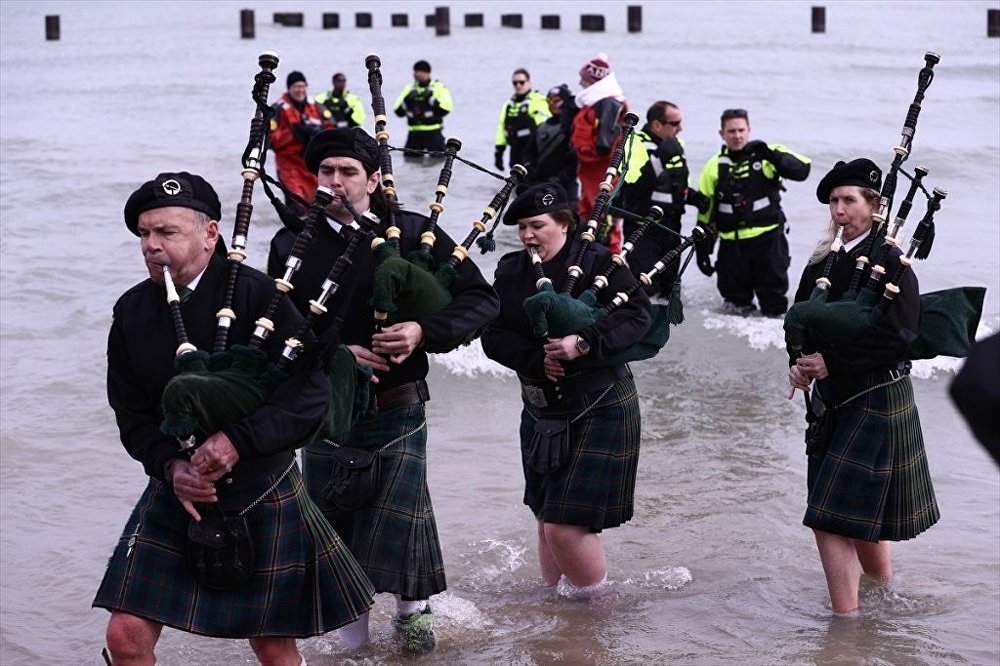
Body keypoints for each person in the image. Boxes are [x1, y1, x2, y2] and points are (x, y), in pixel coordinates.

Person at [94, 171, 374, 665]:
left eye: (167, 232)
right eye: (145, 234)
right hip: (179, 489)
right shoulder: (134, 311)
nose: (152, 246)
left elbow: (311, 392)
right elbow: (132, 414)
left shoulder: (258, 296)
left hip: (260, 482)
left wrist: (238, 440)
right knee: (125, 636)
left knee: (272, 646)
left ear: (211, 234)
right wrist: (171, 468)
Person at [267, 128, 500, 655]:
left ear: (373, 178)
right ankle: (353, 644)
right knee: (335, 530)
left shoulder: (414, 234)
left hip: (398, 404)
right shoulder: (292, 243)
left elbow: (482, 301)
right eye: (326, 172)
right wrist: (337, 354)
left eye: (348, 172)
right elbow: (274, 329)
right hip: (325, 407)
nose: (335, 182)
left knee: (402, 524)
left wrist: (423, 331)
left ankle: (412, 614)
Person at [481, 182, 652, 599]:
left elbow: (638, 316)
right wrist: (536, 360)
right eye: (521, 227)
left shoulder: (600, 263)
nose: (527, 236)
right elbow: (493, 335)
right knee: (545, 519)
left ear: (564, 223)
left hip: (601, 402)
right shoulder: (512, 270)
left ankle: (595, 607)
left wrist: (584, 342)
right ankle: (555, 607)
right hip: (542, 409)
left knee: (563, 525)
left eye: (536, 225)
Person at [787, 158, 939, 614]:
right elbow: (799, 321)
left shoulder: (893, 262)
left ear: (873, 206)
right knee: (849, 518)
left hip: (876, 395)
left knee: (827, 518)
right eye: (834, 200)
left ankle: (846, 619)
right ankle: (881, 593)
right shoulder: (821, 263)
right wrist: (799, 362)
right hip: (834, 402)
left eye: (849, 200)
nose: (839, 209)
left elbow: (900, 336)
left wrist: (833, 363)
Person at [696, 108, 811, 316]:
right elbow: (706, 212)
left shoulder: (768, 154)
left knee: (774, 304)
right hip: (732, 248)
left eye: (741, 130)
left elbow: (803, 170)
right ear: (721, 134)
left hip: (769, 244)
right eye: (731, 131)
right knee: (734, 307)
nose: (737, 136)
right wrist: (702, 249)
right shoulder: (713, 167)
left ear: (749, 130)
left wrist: (771, 154)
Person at [616, 100, 710, 299]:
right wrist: (661, 157)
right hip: (643, 230)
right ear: (657, 125)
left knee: (670, 290)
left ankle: (667, 328)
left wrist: (695, 198)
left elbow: (675, 187)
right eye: (675, 124)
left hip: (671, 230)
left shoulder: (674, 146)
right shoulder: (636, 144)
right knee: (644, 290)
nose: (680, 128)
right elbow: (634, 184)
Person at [571, 53, 628, 248]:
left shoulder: (609, 104)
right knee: (587, 217)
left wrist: (581, 150)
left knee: (603, 220)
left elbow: (605, 144)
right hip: (591, 172)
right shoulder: (597, 103)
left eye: (584, 79)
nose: (580, 83)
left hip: (602, 172)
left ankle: (607, 267)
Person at [270, 71, 333, 212]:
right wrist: (293, 133)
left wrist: (317, 134)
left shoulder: (317, 107)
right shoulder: (277, 110)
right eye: (296, 87)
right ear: (289, 89)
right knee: (296, 203)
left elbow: (331, 129)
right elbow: (270, 140)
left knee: (320, 202)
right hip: (289, 163)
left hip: (312, 162)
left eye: (302, 86)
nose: (300, 90)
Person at [521, 84, 579, 210]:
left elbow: (577, 159)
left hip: (565, 189)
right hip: (541, 187)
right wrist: (529, 167)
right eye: (549, 100)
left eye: (557, 100)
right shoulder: (542, 127)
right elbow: (529, 151)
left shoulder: (574, 127)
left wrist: (561, 178)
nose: (552, 104)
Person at [393, 60, 453, 157]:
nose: (416, 74)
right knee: (410, 161)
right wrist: (407, 100)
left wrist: (432, 100)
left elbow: (446, 108)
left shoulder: (438, 87)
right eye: (415, 71)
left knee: (439, 160)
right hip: (414, 133)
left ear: (427, 73)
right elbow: (397, 111)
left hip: (433, 132)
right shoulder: (409, 88)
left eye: (419, 71)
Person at [494, 68, 550, 171]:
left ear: (529, 82)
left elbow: (544, 127)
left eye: (521, 82)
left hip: (532, 152)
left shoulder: (538, 101)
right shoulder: (508, 104)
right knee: (516, 183)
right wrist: (499, 151)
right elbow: (501, 128)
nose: (518, 85)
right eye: (515, 83)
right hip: (515, 151)